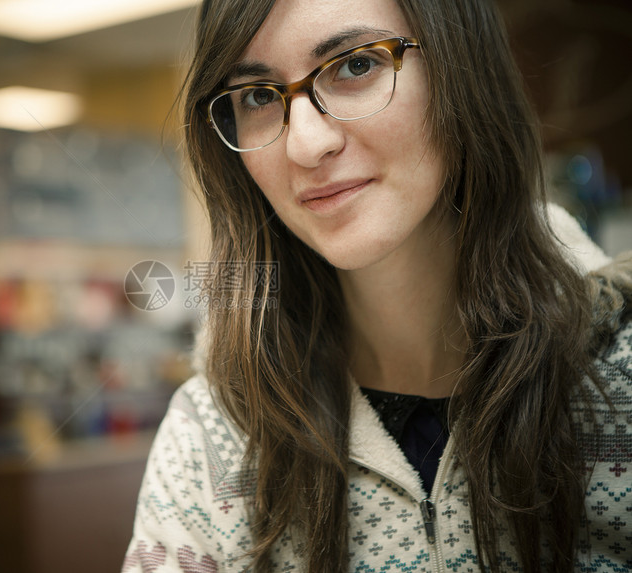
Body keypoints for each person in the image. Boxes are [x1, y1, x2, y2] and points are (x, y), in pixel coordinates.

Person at [123, 0, 632, 571]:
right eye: (260, 97)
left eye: (356, 65)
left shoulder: (620, 378)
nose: (306, 146)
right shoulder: (214, 432)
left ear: (460, 68)